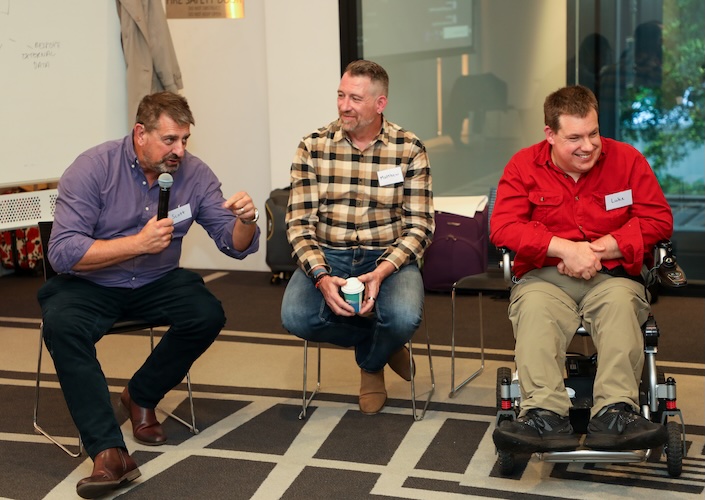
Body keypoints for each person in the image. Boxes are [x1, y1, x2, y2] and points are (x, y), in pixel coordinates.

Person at [38, 91, 260, 498]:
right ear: (141, 133)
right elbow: (64, 252)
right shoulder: (93, 168)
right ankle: (109, 453)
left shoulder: (194, 175)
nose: (180, 150)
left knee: (206, 312)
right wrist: (136, 244)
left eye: (185, 140)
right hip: (92, 283)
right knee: (63, 325)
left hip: (157, 281)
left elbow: (233, 243)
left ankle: (140, 395)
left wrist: (247, 219)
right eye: (170, 140)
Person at [490, 85, 672, 453]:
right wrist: (563, 249)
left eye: (593, 133)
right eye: (574, 137)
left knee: (621, 305)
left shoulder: (627, 160)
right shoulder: (524, 165)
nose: (588, 146)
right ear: (550, 135)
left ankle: (616, 413)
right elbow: (503, 226)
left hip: (613, 275)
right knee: (536, 310)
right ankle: (545, 415)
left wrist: (602, 248)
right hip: (546, 277)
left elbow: (658, 220)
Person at [280, 59, 435, 416]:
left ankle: (370, 364)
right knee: (296, 317)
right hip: (329, 252)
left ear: (380, 104)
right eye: (340, 95)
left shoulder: (409, 148)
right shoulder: (313, 147)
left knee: (403, 318)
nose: (344, 106)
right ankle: (380, 343)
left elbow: (421, 225)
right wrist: (319, 275)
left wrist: (382, 271)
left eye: (355, 98)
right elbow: (299, 224)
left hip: (389, 254)